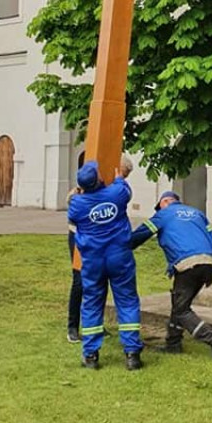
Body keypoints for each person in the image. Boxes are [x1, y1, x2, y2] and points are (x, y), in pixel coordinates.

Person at [131, 190, 212, 358]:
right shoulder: (198, 213)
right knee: (179, 303)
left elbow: (141, 234)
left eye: (159, 207)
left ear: (165, 202)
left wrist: (119, 246)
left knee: (182, 310)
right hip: (207, 260)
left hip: (187, 262)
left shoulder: (164, 214)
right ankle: (173, 344)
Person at [67, 158, 143, 371]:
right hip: (119, 257)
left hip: (93, 261)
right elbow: (123, 186)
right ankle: (132, 353)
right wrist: (119, 177)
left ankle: (91, 355)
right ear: (99, 178)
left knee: (91, 303)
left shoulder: (77, 204)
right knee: (127, 301)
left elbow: (73, 219)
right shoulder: (117, 193)